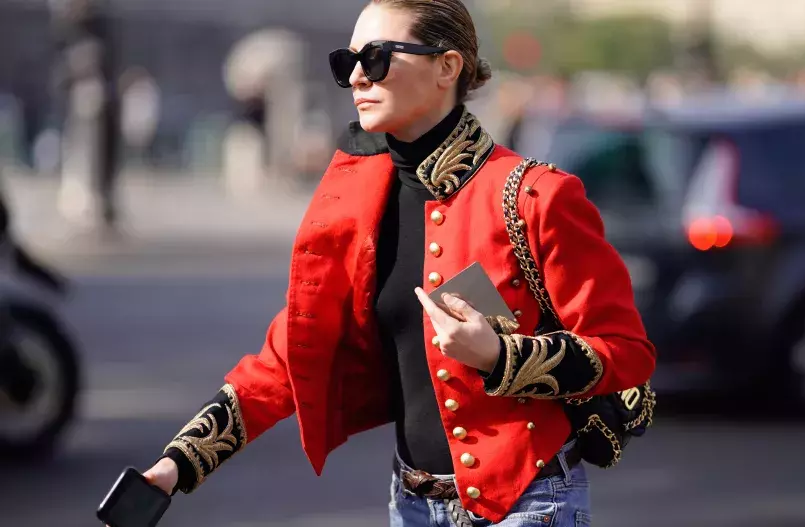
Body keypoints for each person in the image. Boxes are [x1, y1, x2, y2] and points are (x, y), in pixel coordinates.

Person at [134, 1, 655, 525]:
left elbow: (627, 352)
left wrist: (500, 355)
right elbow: (290, 355)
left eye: (378, 57)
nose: (357, 75)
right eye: (348, 61)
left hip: (527, 501)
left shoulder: (535, 195)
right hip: (408, 505)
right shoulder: (356, 197)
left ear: (447, 67)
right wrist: (179, 463)